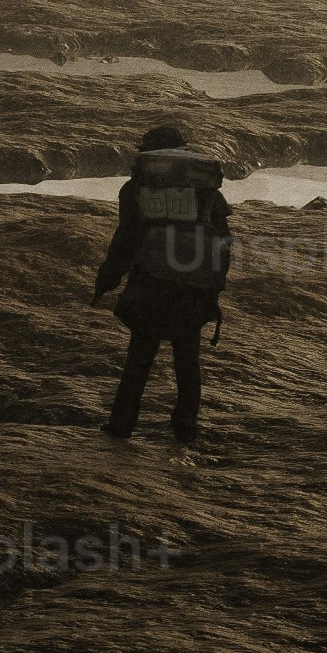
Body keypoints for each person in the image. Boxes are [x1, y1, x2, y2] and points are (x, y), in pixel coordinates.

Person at [91, 121, 238, 446]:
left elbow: (126, 240)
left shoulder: (135, 189)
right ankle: (185, 429)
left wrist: (107, 280)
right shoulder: (206, 189)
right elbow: (224, 241)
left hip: (151, 283)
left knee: (140, 356)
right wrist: (213, 286)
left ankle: (122, 424)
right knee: (187, 358)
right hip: (194, 287)